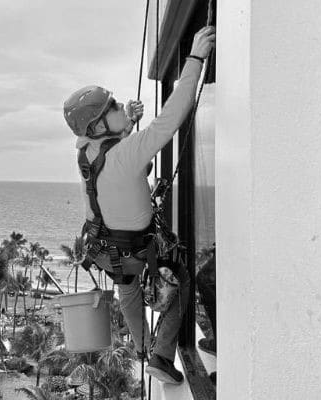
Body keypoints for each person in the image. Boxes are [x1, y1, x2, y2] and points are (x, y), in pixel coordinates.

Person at [63, 26, 216, 384]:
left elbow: (115, 157)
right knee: (181, 282)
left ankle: (143, 346)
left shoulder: (88, 152)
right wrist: (194, 59)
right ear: (100, 124)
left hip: (104, 247)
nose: (120, 106)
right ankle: (162, 355)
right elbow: (171, 119)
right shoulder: (125, 153)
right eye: (113, 107)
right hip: (133, 247)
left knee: (128, 289)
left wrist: (127, 121)